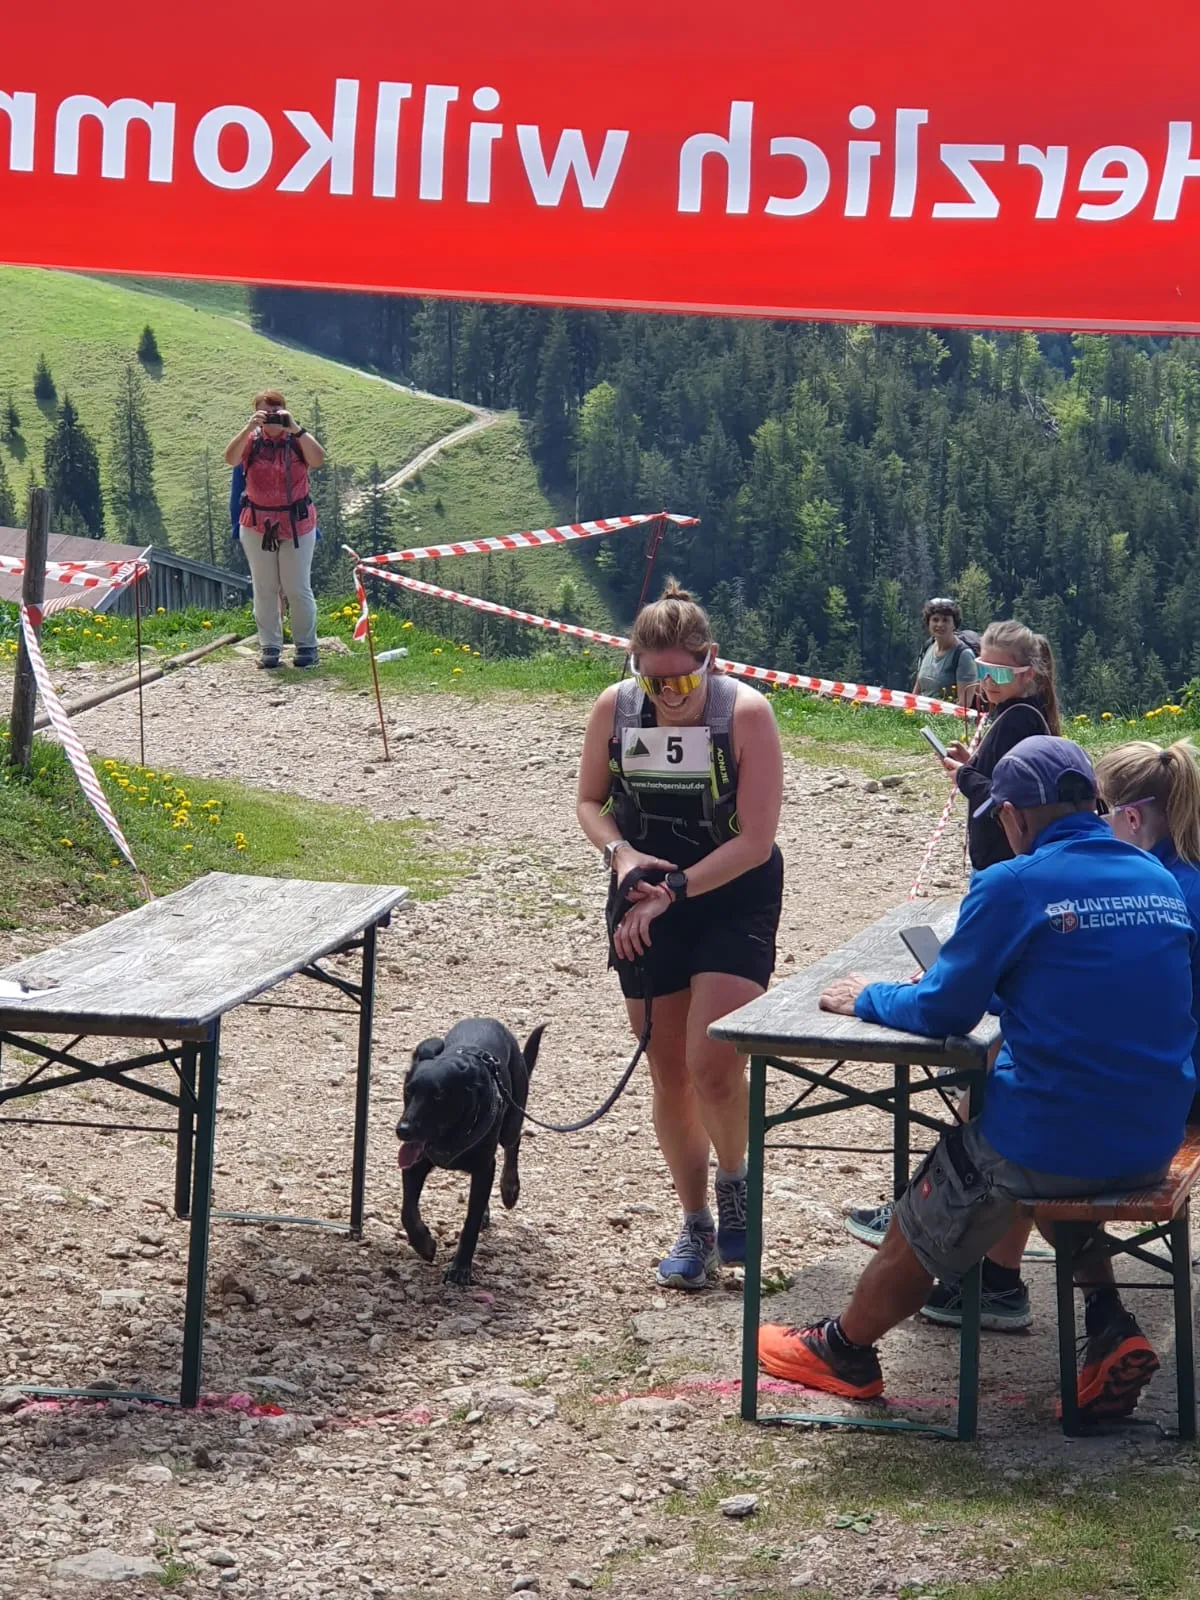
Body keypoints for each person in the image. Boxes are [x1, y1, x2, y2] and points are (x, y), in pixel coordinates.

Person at [758, 736, 1196, 1420]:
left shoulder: (1011, 883)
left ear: (1013, 816)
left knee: (937, 1195)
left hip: (1058, 1140)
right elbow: (1074, 976)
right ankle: (1109, 1324)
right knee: (1055, 1158)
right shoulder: (1156, 877)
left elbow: (943, 1012)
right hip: (1153, 1136)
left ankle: (844, 1349)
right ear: (1093, 801)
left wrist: (871, 996)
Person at [843, 619, 1063, 1325]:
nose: (986, 683)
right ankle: (959, 1244)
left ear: (1028, 676)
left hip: (1065, 1127)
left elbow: (946, 1011)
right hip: (1131, 1114)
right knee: (996, 1081)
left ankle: (924, 1229)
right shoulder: (1134, 880)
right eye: (982, 671)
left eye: (997, 673)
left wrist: (872, 998)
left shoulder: (1018, 724)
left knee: (992, 1094)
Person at [575, 582, 784, 1289]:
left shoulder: (745, 714)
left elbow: (756, 841)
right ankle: (695, 1222)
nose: (668, 695)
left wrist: (677, 889)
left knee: (712, 1064)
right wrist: (620, 856)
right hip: (643, 892)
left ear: (710, 660)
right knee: (668, 1071)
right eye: (652, 680)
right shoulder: (613, 708)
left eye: (683, 681)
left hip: (729, 893)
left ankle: (736, 1183)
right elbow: (589, 801)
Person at [1096, 738, 1200, 1118]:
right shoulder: (1186, 872)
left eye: (1099, 809)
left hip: (1180, 1088)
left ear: (1132, 818)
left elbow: (1111, 993)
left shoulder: (1155, 895)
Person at [224, 391, 326, 670]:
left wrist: (295, 428)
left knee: (297, 587)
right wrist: (248, 427)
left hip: (297, 524)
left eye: (276, 410)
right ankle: (269, 647)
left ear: (285, 410)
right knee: (265, 587)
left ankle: (307, 646)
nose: (271, 417)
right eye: (264, 412)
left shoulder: (297, 439)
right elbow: (230, 459)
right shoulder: (251, 440)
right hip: (257, 524)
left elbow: (318, 459)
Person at [913, 598, 979, 710]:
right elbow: (918, 689)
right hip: (922, 715)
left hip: (947, 718)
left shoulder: (964, 655)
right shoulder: (928, 646)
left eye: (945, 620)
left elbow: (964, 704)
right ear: (928, 623)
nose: (940, 624)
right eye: (935, 620)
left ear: (954, 624)